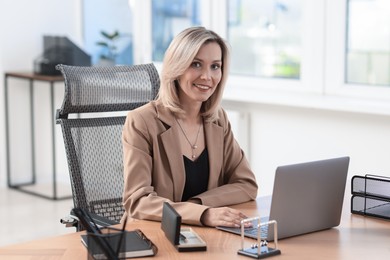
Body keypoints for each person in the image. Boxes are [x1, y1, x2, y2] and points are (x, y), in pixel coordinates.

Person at [122, 26, 258, 227]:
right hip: (154, 234)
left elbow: (246, 184)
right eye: (196, 64)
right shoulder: (142, 121)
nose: (207, 76)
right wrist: (202, 214)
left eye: (215, 66)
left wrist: (198, 207)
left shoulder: (217, 119)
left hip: (205, 235)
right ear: (176, 68)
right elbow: (138, 201)